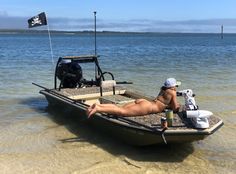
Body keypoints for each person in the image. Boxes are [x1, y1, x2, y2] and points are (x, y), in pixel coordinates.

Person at [87, 78, 181, 118]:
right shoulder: (172, 92)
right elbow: (175, 108)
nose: (176, 87)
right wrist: (177, 107)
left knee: (120, 108)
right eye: (176, 85)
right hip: (148, 107)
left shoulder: (163, 89)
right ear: (173, 86)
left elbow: (163, 102)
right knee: (122, 112)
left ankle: (99, 106)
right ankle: (98, 109)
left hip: (145, 102)